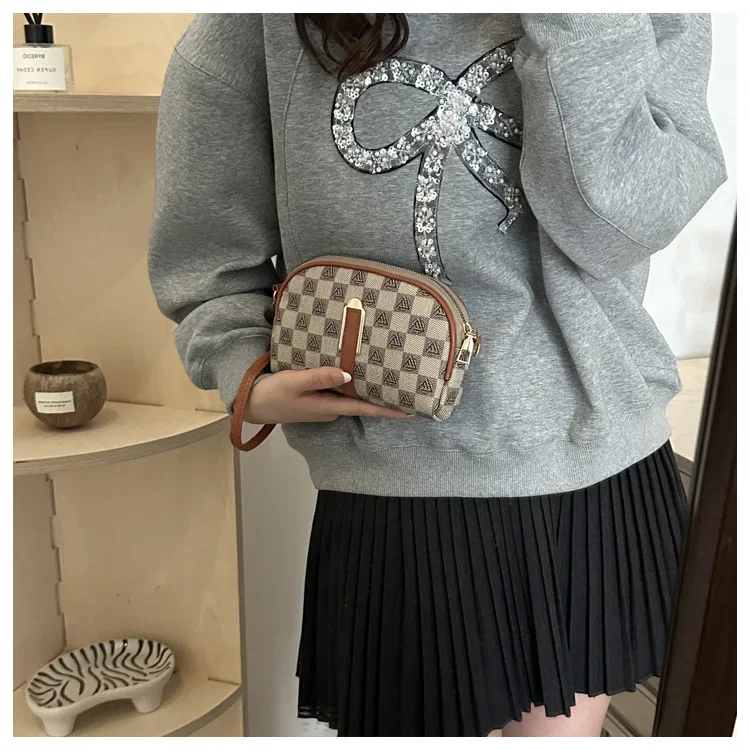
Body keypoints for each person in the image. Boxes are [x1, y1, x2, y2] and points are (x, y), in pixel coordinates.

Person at [148, 13, 727, 737]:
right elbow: (206, 255)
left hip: (599, 461)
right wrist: (245, 369)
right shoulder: (254, 28)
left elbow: (618, 231)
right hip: (402, 483)